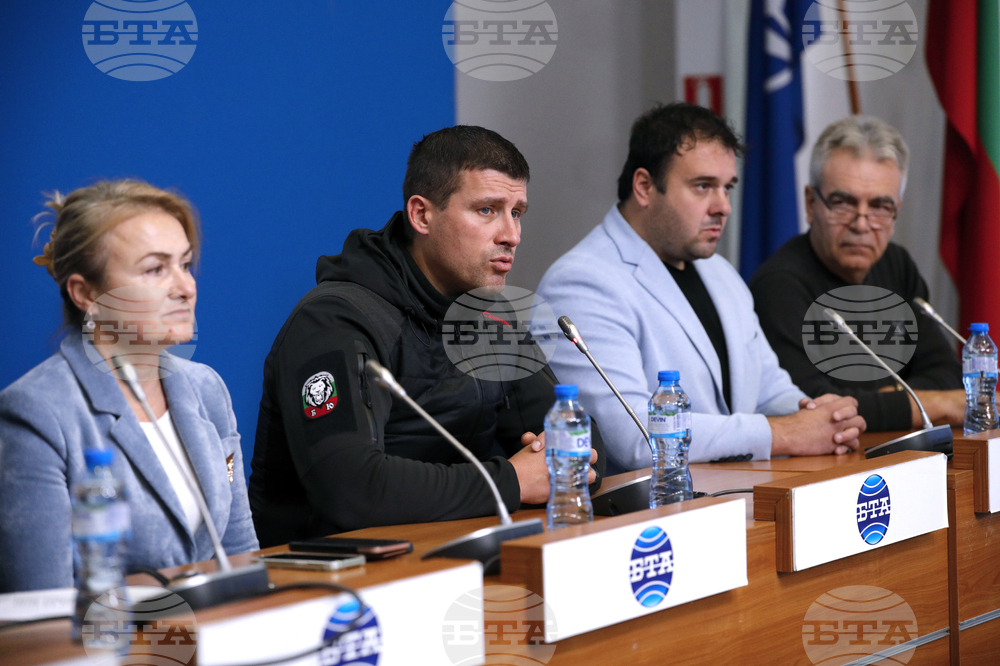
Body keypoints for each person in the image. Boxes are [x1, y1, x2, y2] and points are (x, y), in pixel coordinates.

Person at [250, 126, 604, 547]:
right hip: (331, 586)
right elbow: (353, 490)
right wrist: (512, 480)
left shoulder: (489, 317)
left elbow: (576, 433)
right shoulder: (334, 321)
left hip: (456, 556)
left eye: (517, 212)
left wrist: (563, 459)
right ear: (422, 215)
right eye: (488, 210)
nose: (511, 235)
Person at [537, 103, 865, 475]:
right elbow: (632, 437)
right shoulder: (581, 282)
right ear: (644, 186)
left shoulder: (720, 273)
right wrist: (784, 434)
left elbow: (768, 388)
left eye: (727, 188)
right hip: (647, 520)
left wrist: (823, 418)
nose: (723, 206)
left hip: (736, 500)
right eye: (703, 186)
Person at [0, 180, 258, 592]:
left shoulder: (206, 388)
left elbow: (241, 555)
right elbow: (43, 606)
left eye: (186, 264)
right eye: (156, 269)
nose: (185, 287)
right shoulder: (37, 413)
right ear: (86, 294)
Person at [749, 116, 963, 432]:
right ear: (811, 204)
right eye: (844, 203)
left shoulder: (896, 265)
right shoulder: (779, 285)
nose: (862, 224)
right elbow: (812, 407)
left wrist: (875, 401)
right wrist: (936, 404)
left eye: (879, 207)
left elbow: (946, 375)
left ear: (895, 212)